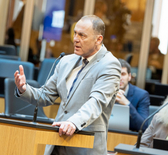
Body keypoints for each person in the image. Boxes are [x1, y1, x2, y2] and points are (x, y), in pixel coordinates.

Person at [14, 15, 121, 155]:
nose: (75, 39)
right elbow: (45, 95)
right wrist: (24, 89)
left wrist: (73, 123)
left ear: (98, 39)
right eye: (75, 33)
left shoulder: (110, 65)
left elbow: (96, 102)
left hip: (85, 147)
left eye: (82, 35)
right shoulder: (66, 61)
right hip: (57, 144)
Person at [116, 59, 150, 131]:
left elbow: (143, 127)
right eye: (116, 74)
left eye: (123, 74)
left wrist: (127, 104)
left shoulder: (141, 95)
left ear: (129, 76)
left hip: (129, 137)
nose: (119, 78)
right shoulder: (104, 92)